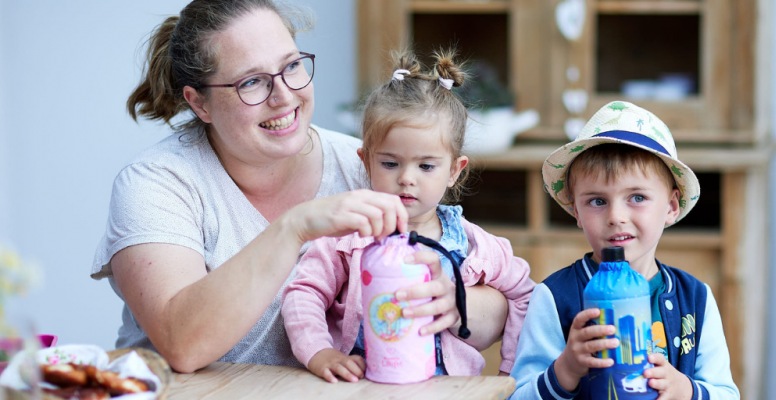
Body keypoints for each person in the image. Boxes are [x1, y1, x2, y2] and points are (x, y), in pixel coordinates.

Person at [90, 0, 509, 374]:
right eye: (251, 82)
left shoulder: (369, 163)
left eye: (291, 66)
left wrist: (455, 302)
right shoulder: (157, 184)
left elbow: (490, 294)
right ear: (199, 103)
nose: (284, 95)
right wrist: (295, 227)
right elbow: (182, 344)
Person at [281, 49, 535, 383]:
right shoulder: (346, 237)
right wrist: (318, 352)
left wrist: (511, 375)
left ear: (454, 171)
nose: (407, 178)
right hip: (365, 389)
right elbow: (304, 292)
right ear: (365, 161)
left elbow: (525, 296)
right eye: (390, 163)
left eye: (426, 166)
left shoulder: (476, 246)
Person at [509, 101, 739, 400]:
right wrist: (565, 369)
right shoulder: (555, 297)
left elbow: (726, 393)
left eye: (637, 197)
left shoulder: (696, 298)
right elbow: (517, 396)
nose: (616, 216)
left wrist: (687, 391)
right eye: (597, 201)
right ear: (576, 210)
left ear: (671, 206)